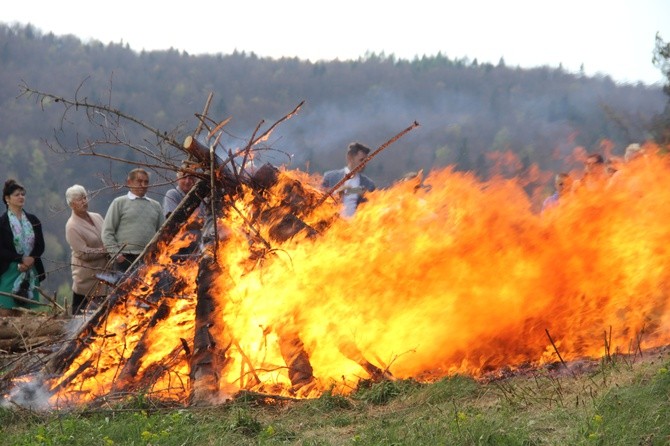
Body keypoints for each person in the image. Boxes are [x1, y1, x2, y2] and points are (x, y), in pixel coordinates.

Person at [102, 168, 164, 272]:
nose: (143, 185)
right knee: (123, 288)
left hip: (148, 259)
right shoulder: (119, 203)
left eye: (146, 182)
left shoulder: (155, 206)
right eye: (139, 181)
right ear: (129, 182)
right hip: (125, 259)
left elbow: (162, 234)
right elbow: (107, 232)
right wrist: (117, 255)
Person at [0, 179, 45, 310]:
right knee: (6, 311)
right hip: (9, 271)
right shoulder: (2, 223)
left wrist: (31, 258)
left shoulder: (33, 220)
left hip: (31, 270)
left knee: (29, 314)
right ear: (7, 198)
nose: (21, 197)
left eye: (22, 194)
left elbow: (40, 245)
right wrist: (20, 259)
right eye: (17, 194)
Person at [65, 185, 109, 315]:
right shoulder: (72, 226)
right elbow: (83, 253)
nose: (84, 201)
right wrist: (104, 250)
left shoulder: (97, 217)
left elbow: (107, 235)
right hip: (87, 280)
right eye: (80, 199)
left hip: (106, 275)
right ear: (72, 204)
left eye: (85, 197)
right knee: (83, 317)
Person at [322, 142, 376, 218]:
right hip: (331, 226)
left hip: (355, 227)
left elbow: (373, 207)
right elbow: (318, 197)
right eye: (361, 160)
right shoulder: (330, 177)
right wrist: (338, 191)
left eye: (366, 161)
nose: (364, 164)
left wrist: (350, 191)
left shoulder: (368, 184)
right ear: (350, 158)